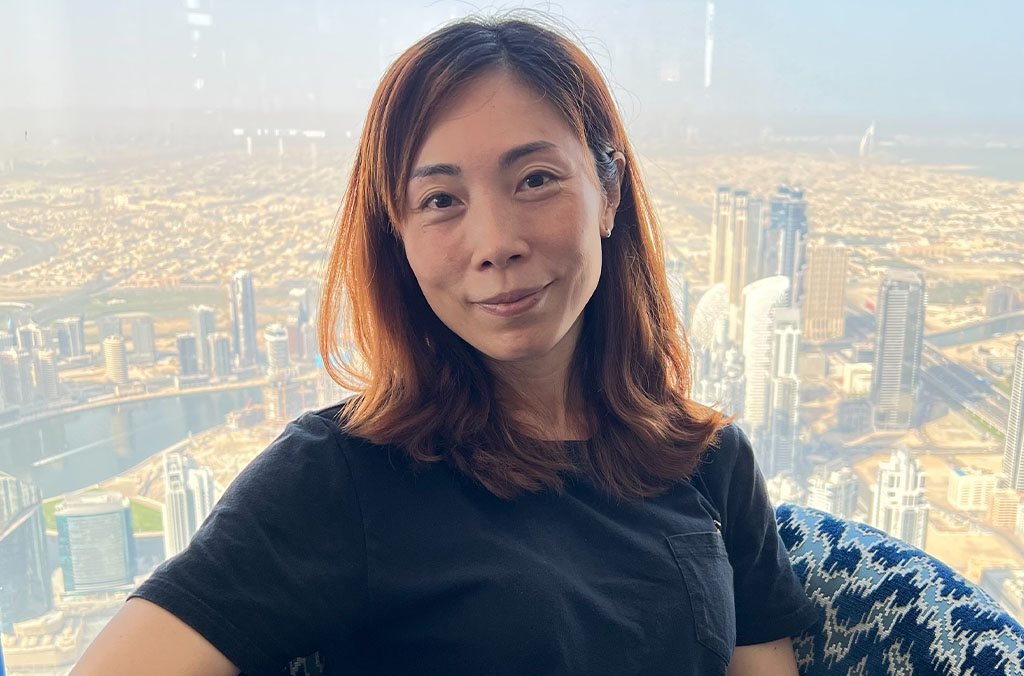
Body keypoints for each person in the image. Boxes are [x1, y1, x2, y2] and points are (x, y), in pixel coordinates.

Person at [71, 15, 819, 676]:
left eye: (535, 179)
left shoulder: (711, 461)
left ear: (609, 191)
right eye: (440, 201)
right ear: (397, 234)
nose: (495, 243)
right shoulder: (341, 475)